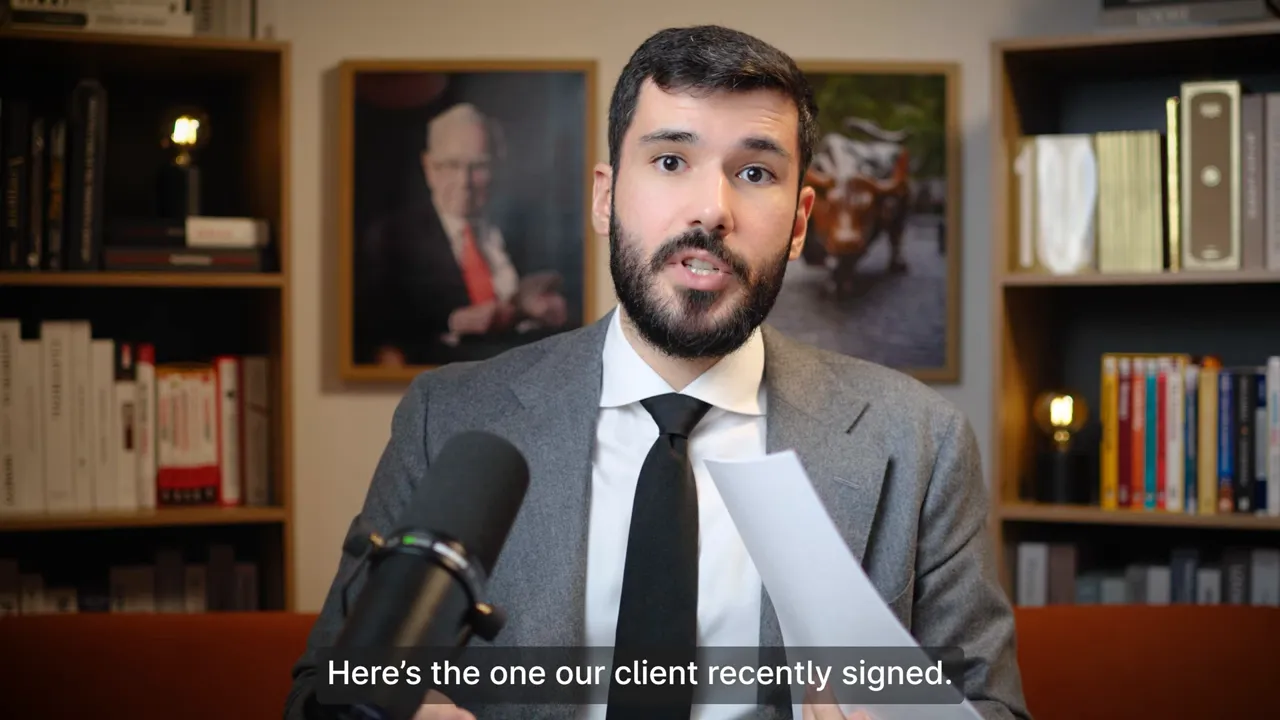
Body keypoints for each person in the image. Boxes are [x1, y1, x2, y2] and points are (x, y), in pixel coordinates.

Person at [289, 24, 1030, 720]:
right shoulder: (446, 418)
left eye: (754, 171)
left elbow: (990, 705)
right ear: (606, 197)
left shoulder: (922, 443)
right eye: (671, 161)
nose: (711, 209)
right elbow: (323, 689)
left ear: (802, 222)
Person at [355, 102, 569, 367]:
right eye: (451, 165)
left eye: (478, 166)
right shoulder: (392, 238)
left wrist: (546, 309)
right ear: (429, 168)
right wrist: (453, 322)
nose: (464, 181)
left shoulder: (526, 231)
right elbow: (372, 330)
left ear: (497, 168)